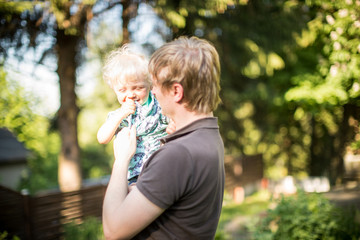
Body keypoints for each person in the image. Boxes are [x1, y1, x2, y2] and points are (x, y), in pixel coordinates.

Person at [102, 36, 225, 239]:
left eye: (156, 85)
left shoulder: (178, 154)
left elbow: (113, 230)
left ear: (176, 91)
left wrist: (122, 159)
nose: (154, 91)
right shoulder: (208, 136)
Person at [97, 45, 175, 184]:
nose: (130, 95)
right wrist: (121, 114)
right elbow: (102, 137)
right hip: (135, 175)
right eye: (122, 90)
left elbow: (176, 121)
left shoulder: (158, 105)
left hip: (162, 167)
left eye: (138, 88)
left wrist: (173, 127)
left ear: (150, 85)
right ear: (114, 90)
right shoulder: (120, 115)